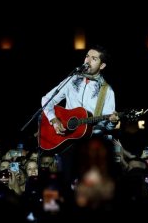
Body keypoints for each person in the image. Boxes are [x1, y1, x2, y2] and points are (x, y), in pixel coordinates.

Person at [40, 45, 120, 188]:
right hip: (67, 141)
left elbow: (107, 125)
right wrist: (53, 119)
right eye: (87, 56)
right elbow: (46, 99)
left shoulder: (107, 91)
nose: (88, 61)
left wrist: (112, 122)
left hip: (91, 144)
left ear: (102, 65)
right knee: (64, 184)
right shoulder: (71, 80)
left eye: (94, 58)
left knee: (88, 186)